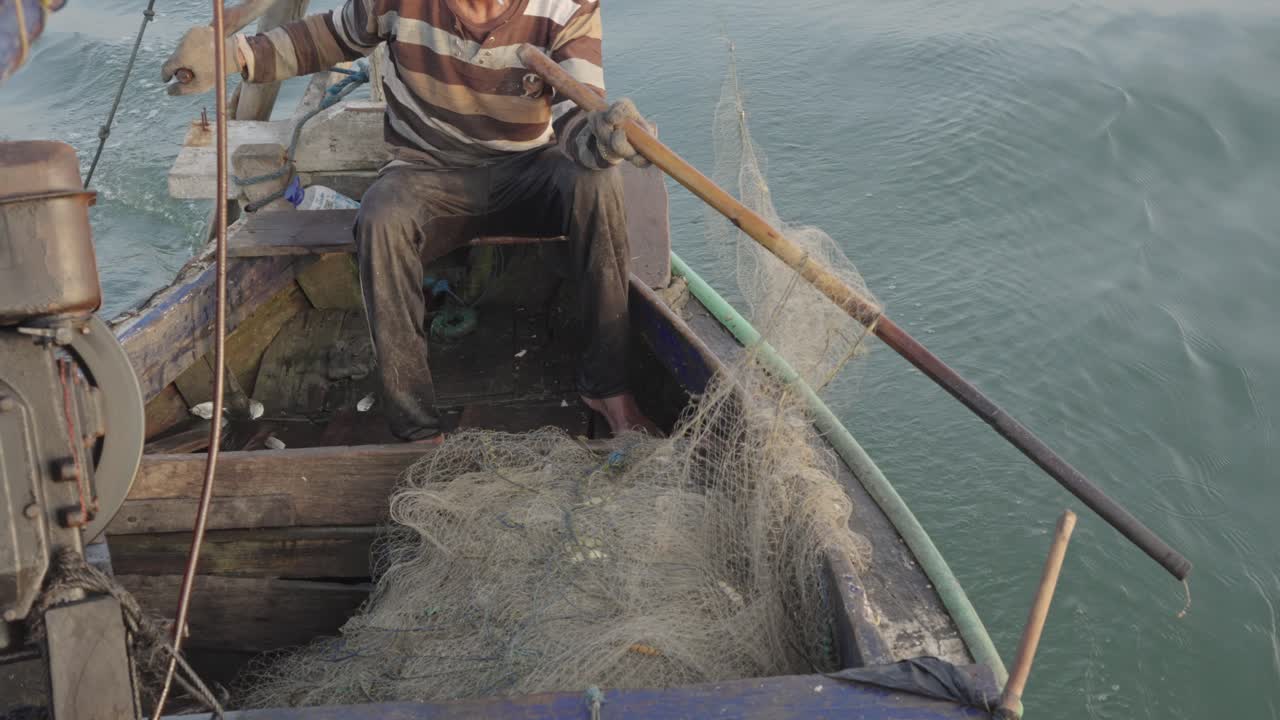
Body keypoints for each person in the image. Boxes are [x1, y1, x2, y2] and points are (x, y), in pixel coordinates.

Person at [162, 0, 659, 440]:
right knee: (382, 217)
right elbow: (323, 38)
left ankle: (608, 387)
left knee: (598, 183)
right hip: (428, 172)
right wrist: (235, 56)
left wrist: (603, 140)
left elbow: (577, 119)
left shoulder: (567, 7)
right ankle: (416, 423)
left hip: (527, 168)